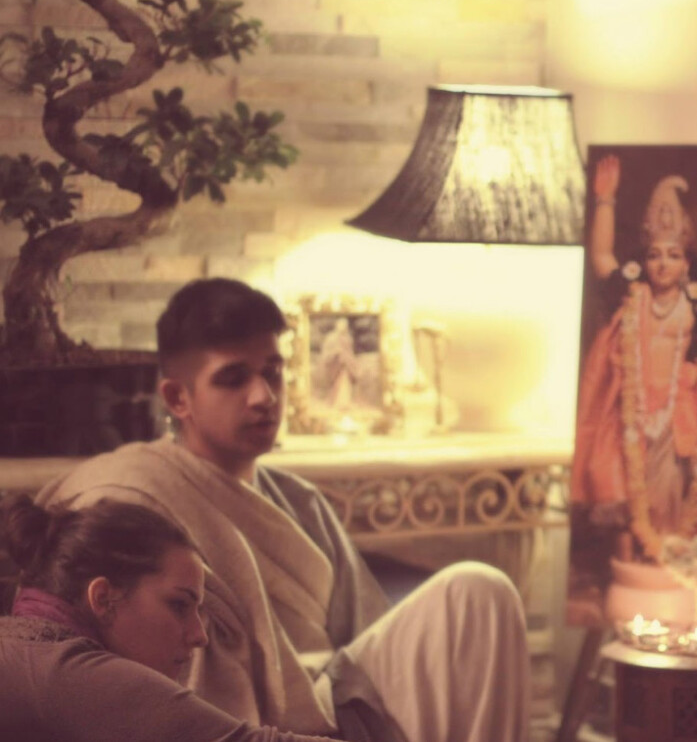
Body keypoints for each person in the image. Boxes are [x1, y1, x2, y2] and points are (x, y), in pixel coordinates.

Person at [36, 278, 529, 742]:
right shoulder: (133, 497)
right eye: (233, 378)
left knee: (478, 590)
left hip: (338, 707)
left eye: (272, 373)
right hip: (218, 721)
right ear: (177, 397)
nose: (264, 397)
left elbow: (366, 637)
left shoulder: (301, 501)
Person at [0, 495, 343, 741]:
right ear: (103, 598)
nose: (199, 635)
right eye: (179, 605)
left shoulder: (29, 651)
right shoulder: (68, 672)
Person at [572, 154, 697, 561]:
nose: (663, 264)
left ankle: (664, 566)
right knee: (623, 493)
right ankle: (628, 571)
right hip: (630, 411)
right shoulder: (633, 299)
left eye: (673, 255)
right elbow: (601, 261)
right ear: (645, 261)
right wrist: (605, 202)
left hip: (675, 416)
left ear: (686, 262)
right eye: (655, 255)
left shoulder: (696, 309)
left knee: (670, 501)